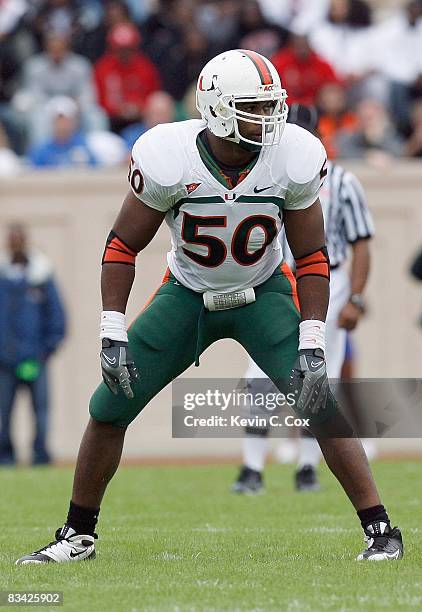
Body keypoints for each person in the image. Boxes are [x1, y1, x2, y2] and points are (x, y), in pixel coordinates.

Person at [15, 50, 402, 564]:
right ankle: (76, 535)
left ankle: (381, 531)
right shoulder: (168, 155)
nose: (270, 119)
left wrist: (312, 340)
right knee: (108, 408)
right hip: (187, 295)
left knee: (319, 405)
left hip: (264, 293)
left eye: (272, 106)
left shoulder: (293, 154)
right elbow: (121, 246)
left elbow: (311, 255)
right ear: (217, 108)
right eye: (254, 107)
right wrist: (112, 329)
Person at [232, 103, 375, 494]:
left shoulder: (343, 181)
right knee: (259, 375)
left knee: (318, 374)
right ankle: (252, 467)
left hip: (328, 281)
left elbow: (361, 243)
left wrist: (356, 298)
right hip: (276, 279)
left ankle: (308, 467)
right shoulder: (265, 176)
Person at [0, 224, 66, 466]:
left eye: (19, 238)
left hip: (35, 359)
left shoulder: (41, 276)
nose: (15, 243)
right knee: (3, 413)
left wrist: (45, 350)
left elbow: (57, 317)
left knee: (41, 412)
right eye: (12, 239)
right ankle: (5, 456)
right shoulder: (2, 276)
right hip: (4, 362)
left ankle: (40, 455)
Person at [94, 23, 162, 134]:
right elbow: (98, 99)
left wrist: (139, 108)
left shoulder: (145, 67)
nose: (124, 54)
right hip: (111, 120)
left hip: (141, 119)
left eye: (128, 49)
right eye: (120, 49)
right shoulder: (103, 68)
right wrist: (118, 109)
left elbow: (153, 94)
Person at [28, 96, 97, 168]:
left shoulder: (85, 146)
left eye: (66, 120)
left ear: (74, 122)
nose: (63, 125)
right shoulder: (41, 150)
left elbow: (95, 170)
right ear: (52, 122)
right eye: (59, 120)